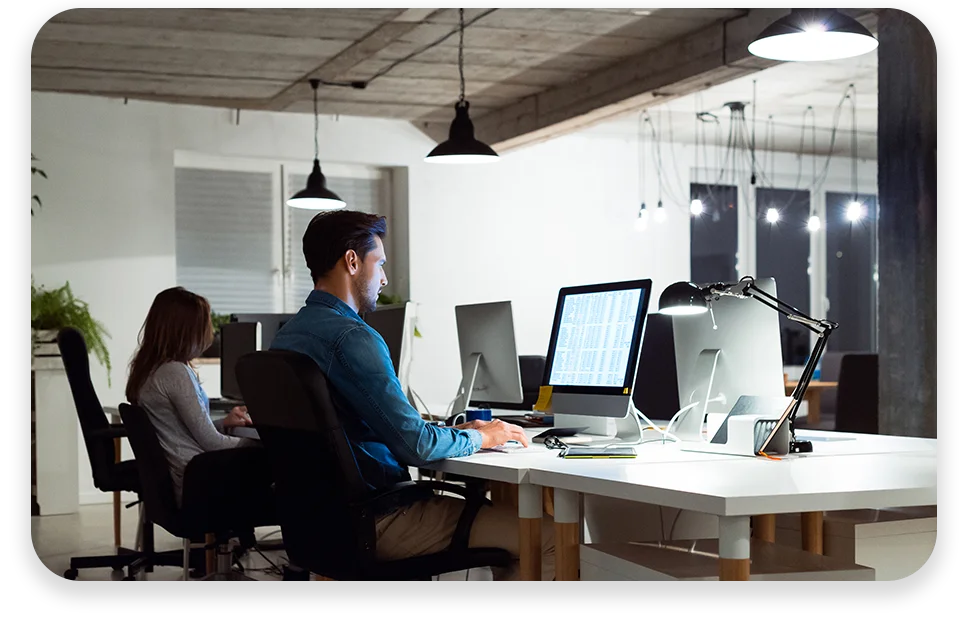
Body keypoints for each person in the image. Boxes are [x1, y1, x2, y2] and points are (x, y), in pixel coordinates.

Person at [272, 210, 555, 580]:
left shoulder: (287, 337)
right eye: (380, 262)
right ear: (352, 261)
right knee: (550, 538)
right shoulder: (351, 337)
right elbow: (416, 447)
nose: (384, 277)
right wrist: (480, 436)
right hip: (381, 518)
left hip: (319, 523)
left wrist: (455, 433)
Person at [125, 287, 260, 506]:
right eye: (202, 328)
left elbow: (179, 432)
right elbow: (211, 443)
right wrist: (258, 443)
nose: (207, 335)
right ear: (185, 332)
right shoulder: (174, 372)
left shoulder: (148, 370)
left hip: (184, 479)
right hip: (198, 482)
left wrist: (223, 422)